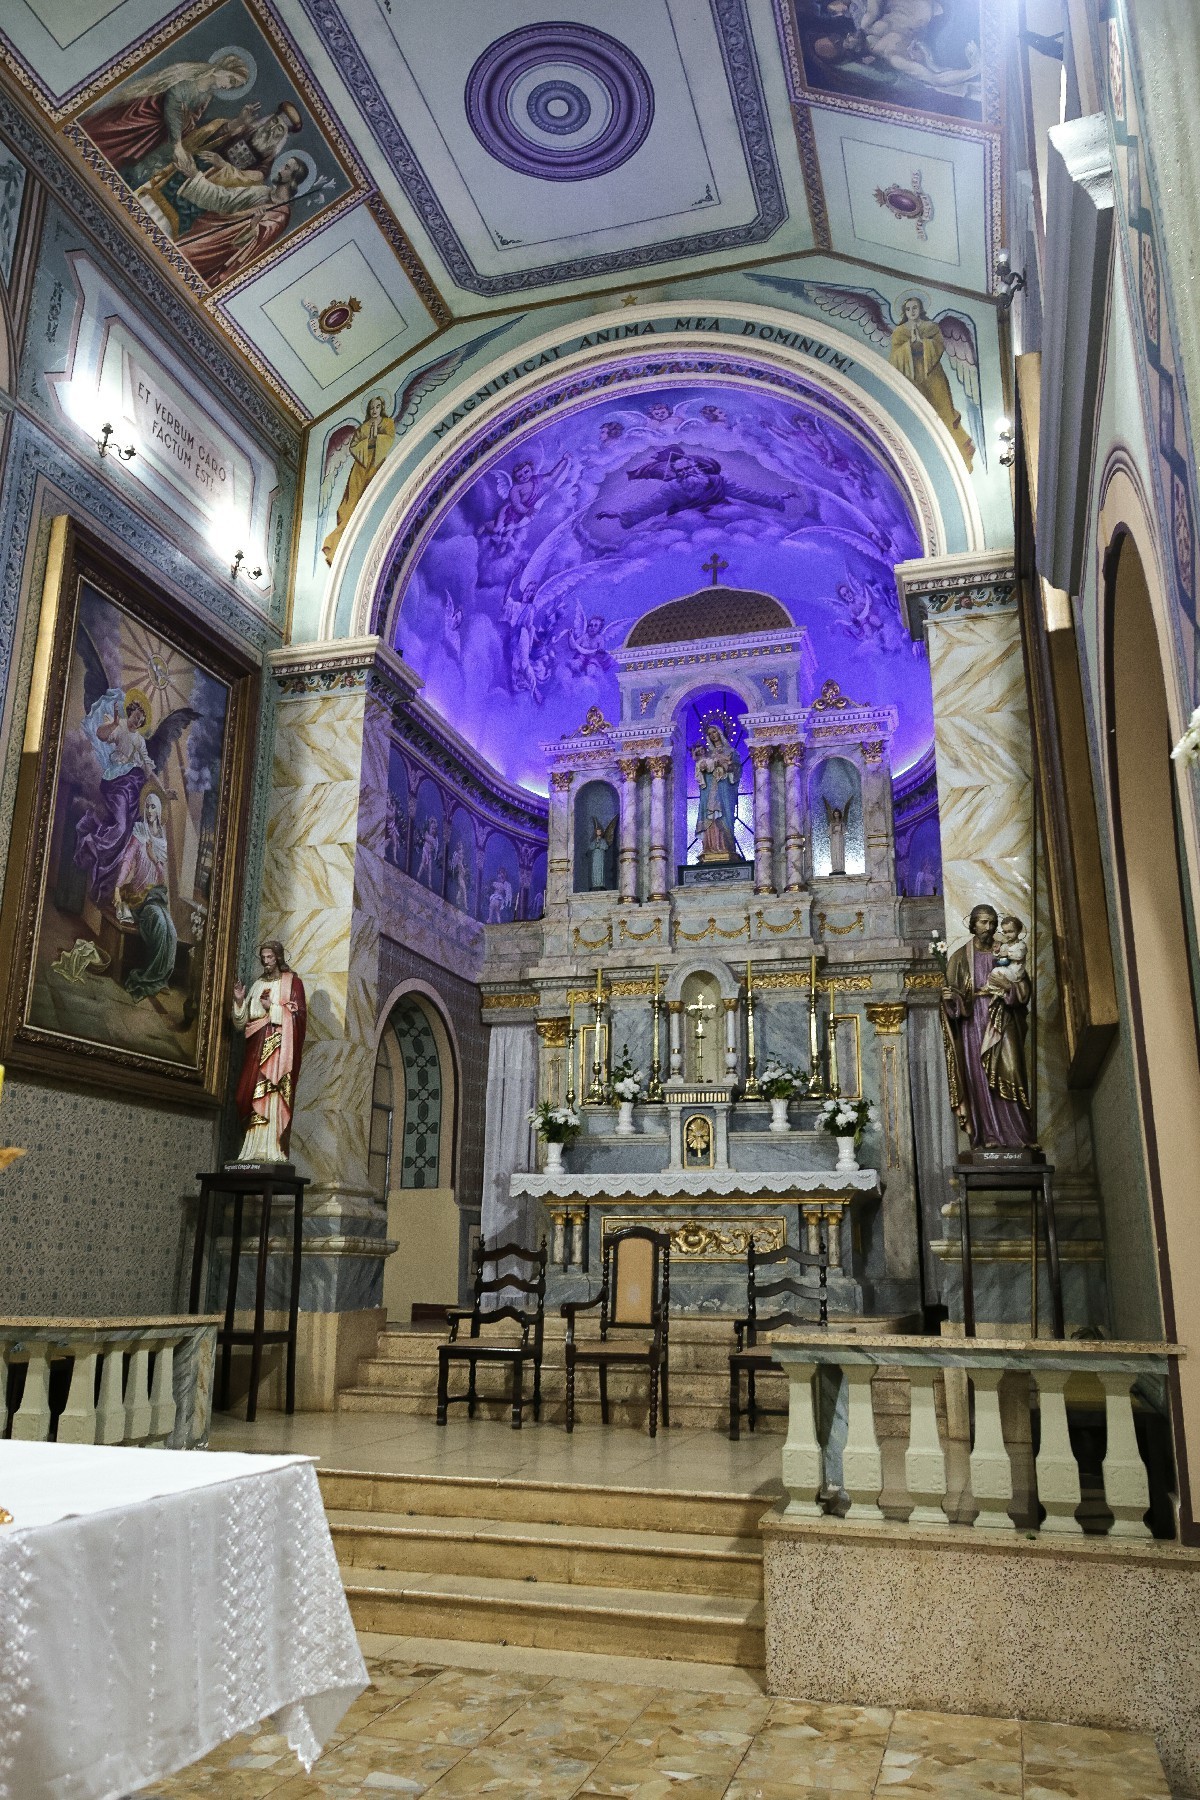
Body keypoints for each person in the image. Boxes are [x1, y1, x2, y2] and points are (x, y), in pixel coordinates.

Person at [940, 904, 1034, 1149]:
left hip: (1002, 1017)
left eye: (992, 922)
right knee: (979, 1079)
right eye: (983, 922)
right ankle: (988, 1136)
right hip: (973, 1024)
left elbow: (1023, 986)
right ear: (973, 924)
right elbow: (952, 1004)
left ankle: (1020, 1135)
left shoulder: (1007, 949)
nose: (989, 927)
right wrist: (952, 999)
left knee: (1011, 1069)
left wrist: (1010, 988)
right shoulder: (960, 957)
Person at [85, 52, 251, 179]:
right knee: (111, 138)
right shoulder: (191, 76)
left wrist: (190, 124)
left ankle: (95, 173)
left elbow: (192, 120)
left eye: (234, 86)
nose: (230, 87)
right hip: (146, 116)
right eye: (231, 80)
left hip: (161, 131)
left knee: (124, 159)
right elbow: (172, 105)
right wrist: (177, 145)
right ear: (222, 69)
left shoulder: (207, 96)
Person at [231, 940, 307, 1165]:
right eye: (263, 958)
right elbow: (241, 1023)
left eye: (270, 958)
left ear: (279, 958)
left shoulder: (292, 982)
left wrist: (272, 1009)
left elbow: (299, 1016)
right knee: (244, 1095)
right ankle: (251, 1148)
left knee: (271, 1093)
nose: (266, 962)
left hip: (278, 1050)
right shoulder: (257, 984)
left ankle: (271, 1147)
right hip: (255, 1046)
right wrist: (239, 1001)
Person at [889, 296, 976, 468]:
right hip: (912, 378)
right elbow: (894, 358)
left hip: (933, 376)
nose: (912, 311)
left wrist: (922, 344)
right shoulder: (899, 332)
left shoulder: (931, 327)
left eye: (915, 308)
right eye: (908, 309)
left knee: (943, 412)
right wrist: (909, 347)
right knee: (917, 412)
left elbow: (938, 346)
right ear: (904, 312)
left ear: (920, 309)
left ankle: (955, 455)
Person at [112, 790, 178, 1001]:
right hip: (138, 897)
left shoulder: (162, 840)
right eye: (147, 806)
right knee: (158, 921)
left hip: (155, 895)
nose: (149, 810)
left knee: (171, 930)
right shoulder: (139, 832)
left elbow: (161, 880)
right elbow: (127, 860)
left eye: (153, 807)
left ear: (159, 811)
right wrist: (117, 887)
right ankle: (151, 978)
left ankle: (161, 978)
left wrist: (153, 857)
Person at [322, 395, 396, 563]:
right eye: (372, 407)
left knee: (371, 495)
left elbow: (389, 439)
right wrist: (368, 442)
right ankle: (339, 539)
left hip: (376, 464)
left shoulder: (387, 423)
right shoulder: (364, 427)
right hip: (360, 467)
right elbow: (354, 446)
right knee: (352, 502)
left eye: (377, 407)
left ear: (382, 407)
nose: (374, 410)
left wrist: (376, 440)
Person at [980, 915, 1029, 1056]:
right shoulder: (1006, 945)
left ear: (1018, 931)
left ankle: (998, 991)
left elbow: (1017, 955)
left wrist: (1006, 952)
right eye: (1005, 932)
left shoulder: (1020, 946)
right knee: (995, 973)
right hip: (1008, 971)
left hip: (1015, 974)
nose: (1007, 935)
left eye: (1010, 932)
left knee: (996, 972)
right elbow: (999, 955)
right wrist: (997, 951)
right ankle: (994, 989)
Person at [693, 723, 742, 861]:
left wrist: (727, 766)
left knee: (725, 815)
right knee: (710, 817)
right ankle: (709, 848)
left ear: (720, 733)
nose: (712, 735)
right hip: (709, 791)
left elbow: (736, 771)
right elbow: (700, 771)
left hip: (724, 789)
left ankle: (727, 847)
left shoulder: (730, 752)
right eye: (709, 734)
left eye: (714, 732)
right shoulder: (707, 754)